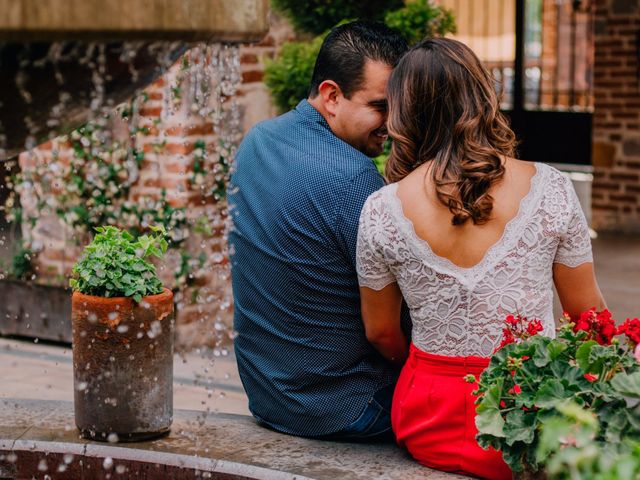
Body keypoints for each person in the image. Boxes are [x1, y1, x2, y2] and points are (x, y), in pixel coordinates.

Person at [356, 38, 605, 479]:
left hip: (425, 420)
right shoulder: (551, 188)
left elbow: (380, 332)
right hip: (528, 418)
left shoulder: (381, 208)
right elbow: (587, 317)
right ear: (483, 96)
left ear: (404, 112)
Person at [227, 21, 409, 440]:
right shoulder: (354, 179)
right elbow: (390, 331)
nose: (395, 124)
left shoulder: (257, 140)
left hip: (269, 395)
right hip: (346, 408)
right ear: (331, 96)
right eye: (381, 107)